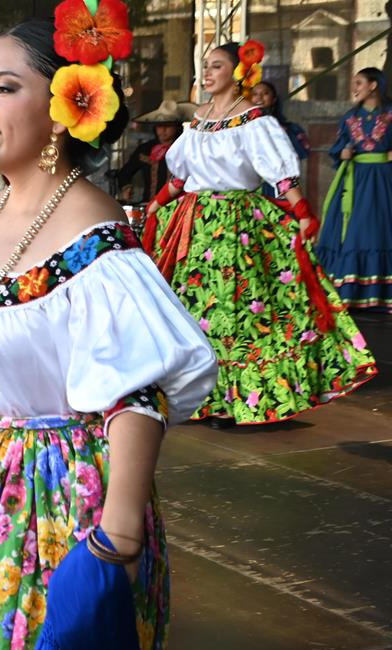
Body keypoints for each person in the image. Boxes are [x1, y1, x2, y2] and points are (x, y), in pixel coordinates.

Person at [0, 12, 217, 650]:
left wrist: (117, 536)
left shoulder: (95, 237)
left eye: (5, 88)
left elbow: (137, 388)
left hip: (62, 505)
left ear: (67, 109)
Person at [144, 41, 376, 426]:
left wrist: (302, 212)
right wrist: (157, 204)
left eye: (216, 65)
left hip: (237, 225)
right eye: (206, 65)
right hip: (196, 224)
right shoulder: (197, 120)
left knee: (238, 313)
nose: (208, 72)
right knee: (197, 312)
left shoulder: (254, 120)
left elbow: (280, 173)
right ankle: (203, 399)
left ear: (237, 73)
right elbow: (181, 176)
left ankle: (242, 399)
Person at [315, 67, 392, 310]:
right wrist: (343, 152)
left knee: (381, 229)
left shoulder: (390, 114)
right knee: (354, 230)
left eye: (359, 82)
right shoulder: (349, 118)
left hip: (384, 180)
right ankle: (351, 291)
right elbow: (338, 147)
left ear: (373, 85)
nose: (354, 88)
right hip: (355, 181)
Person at [114, 100, 195, 203]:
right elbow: (125, 173)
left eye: (168, 125)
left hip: (179, 207)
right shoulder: (145, 150)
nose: (163, 130)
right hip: (149, 205)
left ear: (177, 127)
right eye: (159, 125)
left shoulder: (186, 149)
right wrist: (126, 188)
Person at [250, 81, 310, 197]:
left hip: (279, 186)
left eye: (265, 93)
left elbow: (301, 153)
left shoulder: (289, 129)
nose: (259, 97)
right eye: (255, 94)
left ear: (274, 99)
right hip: (251, 186)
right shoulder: (242, 129)